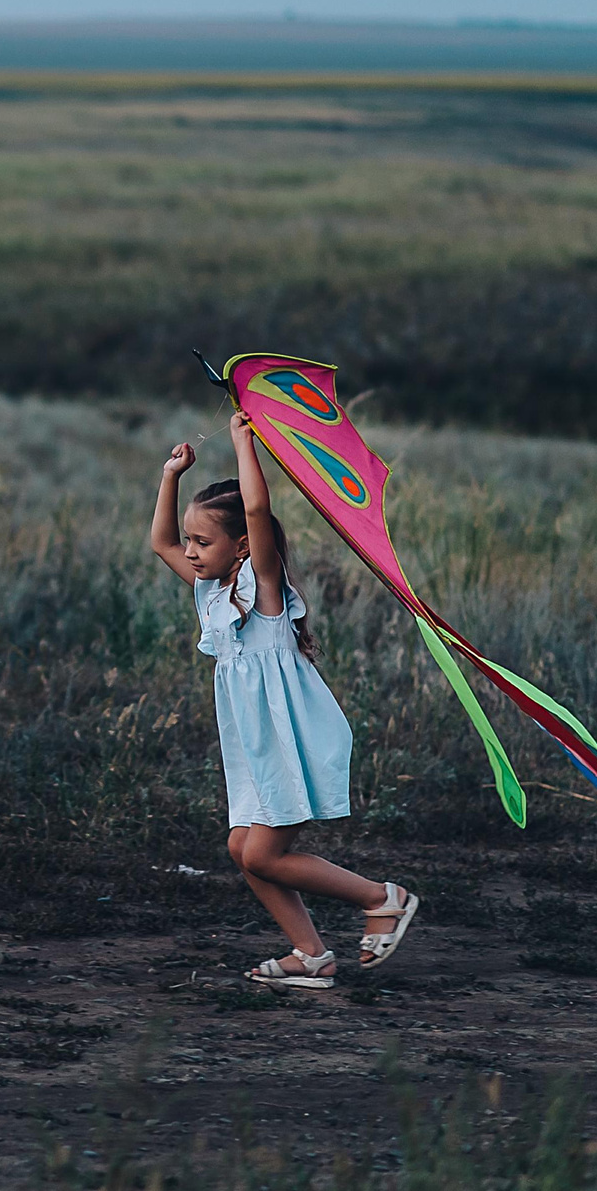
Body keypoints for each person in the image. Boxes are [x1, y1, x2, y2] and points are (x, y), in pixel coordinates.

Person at [148, 411, 419, 988]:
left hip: (290, 737)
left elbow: (253, 510)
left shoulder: (264, 588)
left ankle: (382, 897)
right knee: (242, 848)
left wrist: (246, 444)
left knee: (263, 854)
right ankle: (311, 955)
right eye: (192, 542)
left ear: (243, 546)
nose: (191, 552)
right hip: (254, 745)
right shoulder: (211, 594)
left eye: (205, 542)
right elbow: (161, 541)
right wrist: (172, 475)